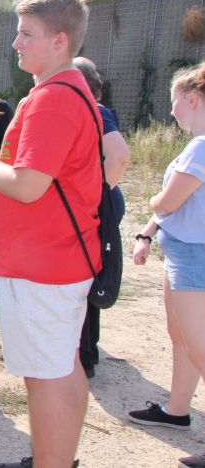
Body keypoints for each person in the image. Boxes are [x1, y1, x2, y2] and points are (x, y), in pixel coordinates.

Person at [0, 0, 99, 468]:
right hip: (55, 256)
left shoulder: (54, 98)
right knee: (61, 366)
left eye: (27, 33)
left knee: (47, 375)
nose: (16, 42)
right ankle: (53, 456)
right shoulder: (65, 90)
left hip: (44, 261)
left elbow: (27, 185)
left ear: (59, 40)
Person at [128, 64, 205, 468]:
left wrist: (155, 204)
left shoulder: (201, 146)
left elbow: (169, 201)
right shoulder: (196, 144)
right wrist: (147, 232)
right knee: (182, 338)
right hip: (182, 252)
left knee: (199, 345)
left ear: (192, 99)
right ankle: (177, 410)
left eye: (175, 101)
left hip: (195, 257)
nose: (172, 110)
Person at [73, 56, 130, 379]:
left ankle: (86, 354)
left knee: (85, 277)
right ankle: (87, 350)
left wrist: (92, 198)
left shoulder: (94, 111)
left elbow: (119, 156)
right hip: (102, 201)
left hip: (97, 205)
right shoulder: (95, 110)